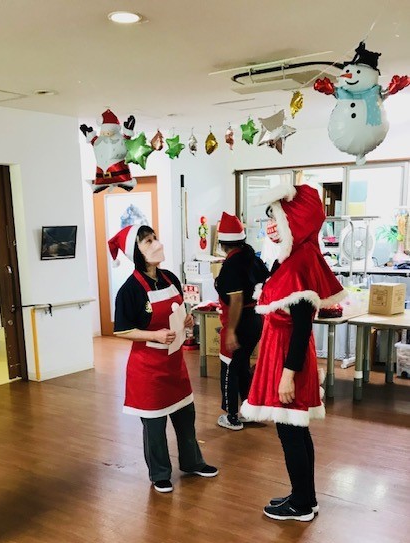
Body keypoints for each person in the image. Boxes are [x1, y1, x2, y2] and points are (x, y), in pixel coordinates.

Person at [240, 185, 345, 522]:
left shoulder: (299, 265)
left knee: (291, 431)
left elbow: (300, 330)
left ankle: (300, 504)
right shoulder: (297, 258)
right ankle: (305, 497)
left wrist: (287, 375)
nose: (271, 225)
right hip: (285, 357)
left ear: (293, 223)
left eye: (276, 217)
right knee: (296, 430)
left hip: (289, 361)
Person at [109, 225, 218, 493]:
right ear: (136, 251)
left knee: (186, 416)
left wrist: (186, 319)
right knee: (155, 425)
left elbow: (177, 310)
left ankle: (192, 462)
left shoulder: (170, 278)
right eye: (148, 241)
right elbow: (122, 330)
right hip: (148, 368)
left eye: (155, 238)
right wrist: (154, 335)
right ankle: (159, 473)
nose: (156, 243)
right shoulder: (129, 290)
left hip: (174, 364)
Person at [214, 212, 269, 430]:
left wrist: (230, 331)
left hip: (238, 322)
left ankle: (232, 416)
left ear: (222, 244)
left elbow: (236, 300)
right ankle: (248, 411)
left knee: (230, 368)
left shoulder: (231, 265)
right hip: (256, 319)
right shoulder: (253, 258)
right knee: (243, 365)